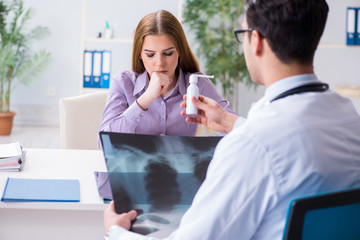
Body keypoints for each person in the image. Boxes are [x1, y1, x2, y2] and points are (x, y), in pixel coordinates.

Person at [103, 0, 360, 239]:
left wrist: (115, 231)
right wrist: (229, 122)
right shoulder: (349, 117)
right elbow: (282, 140)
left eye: (242, 35)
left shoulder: (250, 148)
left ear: (255, 41)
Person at [98, 10, 234, 138]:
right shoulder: (123, 82)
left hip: (181, 162)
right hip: (135, 163)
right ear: (140, 54)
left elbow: (238, 132)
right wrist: (145, 99)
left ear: (180, 51)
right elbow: (105, 140)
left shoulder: (197, 84)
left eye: (168, 53)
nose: (159, 63)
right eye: (150, 54)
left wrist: (200, 150)